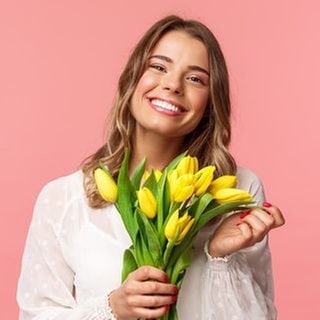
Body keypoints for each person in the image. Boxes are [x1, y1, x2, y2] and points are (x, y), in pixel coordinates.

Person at [17, 15, 285, 320]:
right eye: (158, 67)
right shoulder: (63, 199)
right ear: (133, 79)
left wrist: (218, 256)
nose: (172, 85)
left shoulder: (235, 190)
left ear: (211, 103)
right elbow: (35, 315)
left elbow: (262, 315)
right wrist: (112, 308)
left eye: (195, 78)